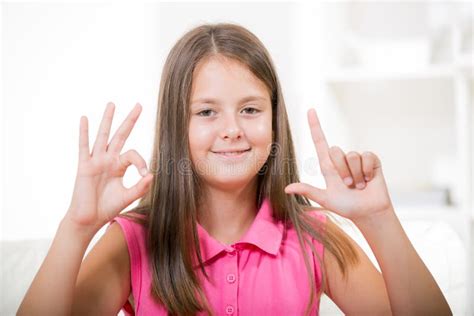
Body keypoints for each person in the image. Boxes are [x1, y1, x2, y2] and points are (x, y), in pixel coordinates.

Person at [18, 23, 451, 316]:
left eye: (249, 109)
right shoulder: (133, 240)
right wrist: (76, 227)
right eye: (207, 112)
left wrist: (379, 221)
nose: (231, 130)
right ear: (177, 125)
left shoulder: (312, 236)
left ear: (274, 118)